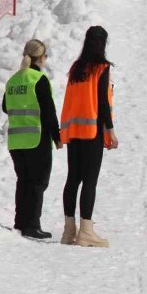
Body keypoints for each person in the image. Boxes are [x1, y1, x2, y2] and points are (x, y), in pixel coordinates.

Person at [59, 26, 118, 248]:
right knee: (90, 180)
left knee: (73, 178)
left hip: (74, 132)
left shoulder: (76, 69)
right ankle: (86, 231)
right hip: (92, 132)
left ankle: (68, 230)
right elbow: (103, 102)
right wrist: (110, 130)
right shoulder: (101, 68)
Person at [2, 39, 60, 239]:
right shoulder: (38, 79)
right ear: (40, 57)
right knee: (37, 183)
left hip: (16, 141)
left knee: (23, 181)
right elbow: (48, 112)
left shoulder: (13, 80)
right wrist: (57, 136)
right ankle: (32, 225)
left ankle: (20, 222)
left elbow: (4, 106)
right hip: (36, 137)